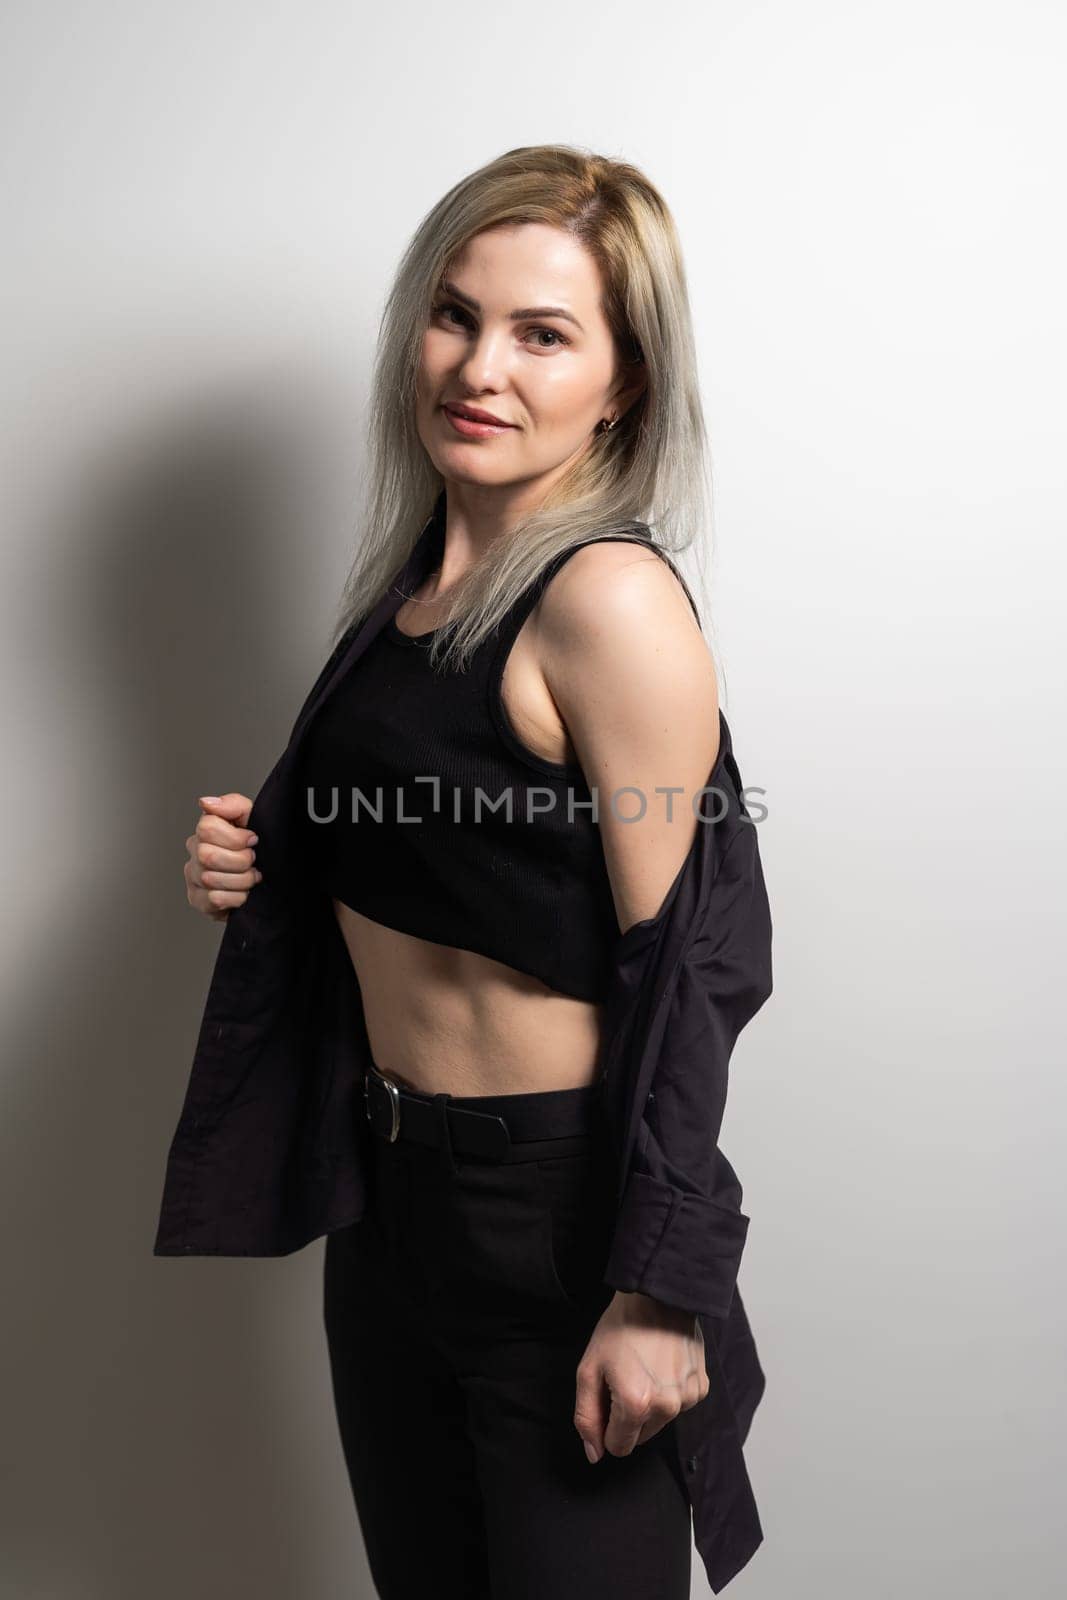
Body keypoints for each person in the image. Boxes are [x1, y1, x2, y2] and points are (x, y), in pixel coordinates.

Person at [179, 145, 761, 1598]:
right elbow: (454, 854)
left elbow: (694, 962)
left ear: (622, 383)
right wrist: (259, 862)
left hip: (556, 1232)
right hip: (391, 1216)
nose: (477, 366)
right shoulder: (416, 585)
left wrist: (657, 1289)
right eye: (454, 314)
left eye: (543, 334)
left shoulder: (605, 601)